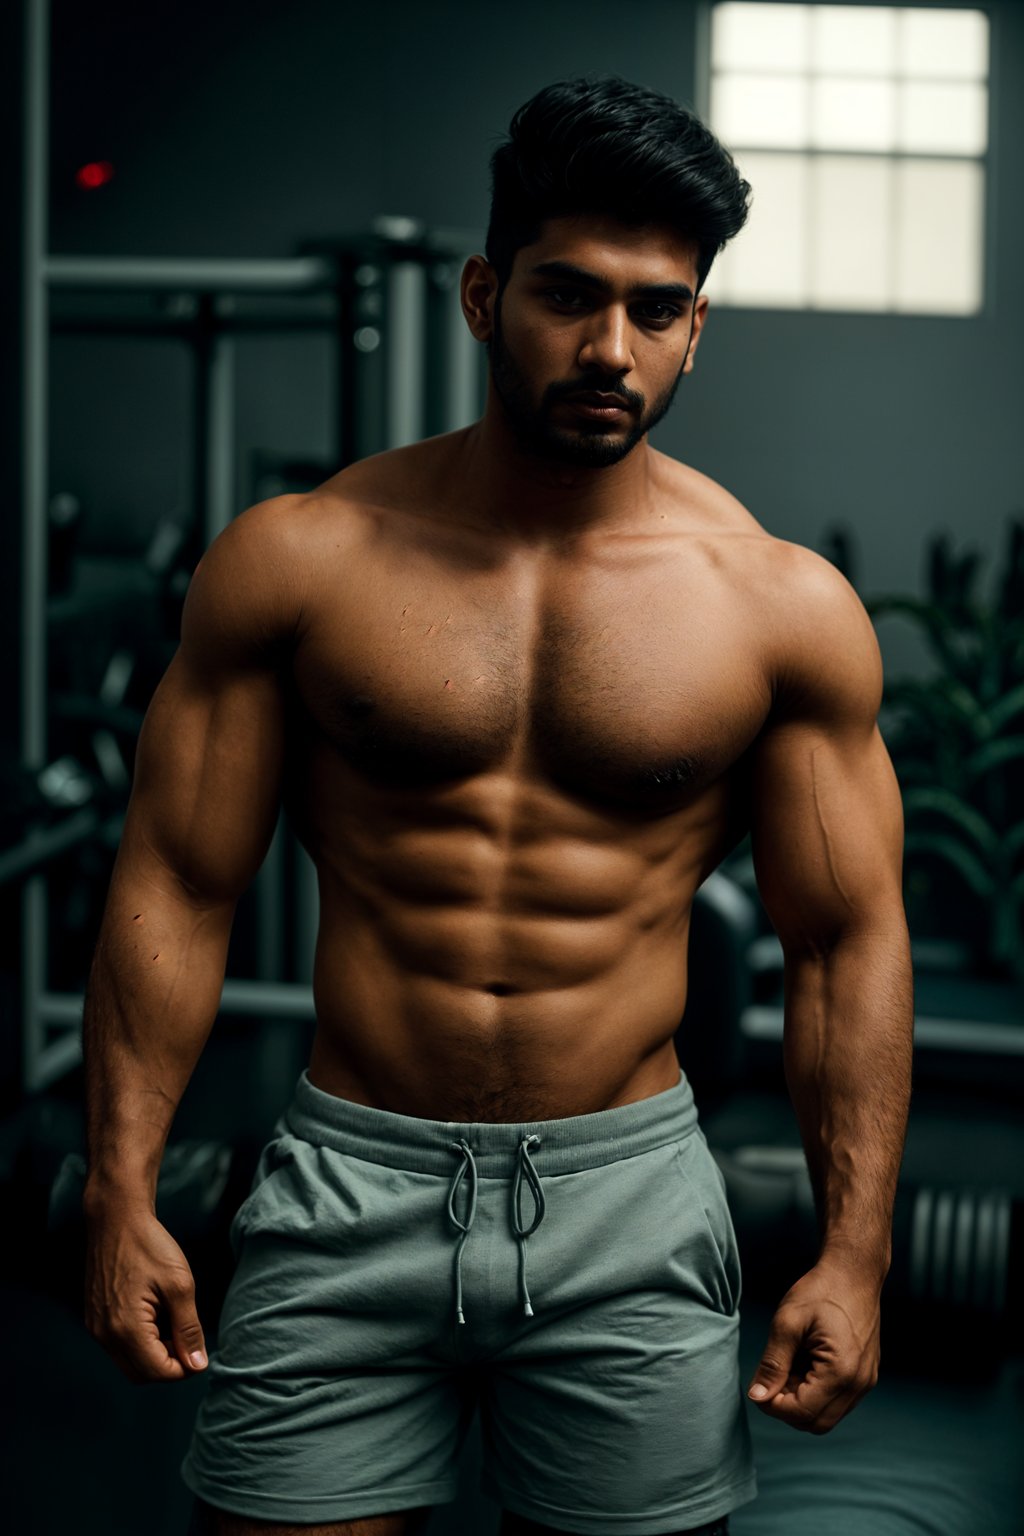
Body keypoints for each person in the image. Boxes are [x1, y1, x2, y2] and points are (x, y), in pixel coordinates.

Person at [82, 75, 913, 1536]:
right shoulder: (303, 562)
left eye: (659, 310)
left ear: (696, 329)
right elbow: (177, 883)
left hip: (631, 1203)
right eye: (567, 295)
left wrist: (856, 1252)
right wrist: (120, 1189)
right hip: (347, 1177)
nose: (611, 347)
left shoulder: (780, 611)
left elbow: (846, 944)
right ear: (483, 295)